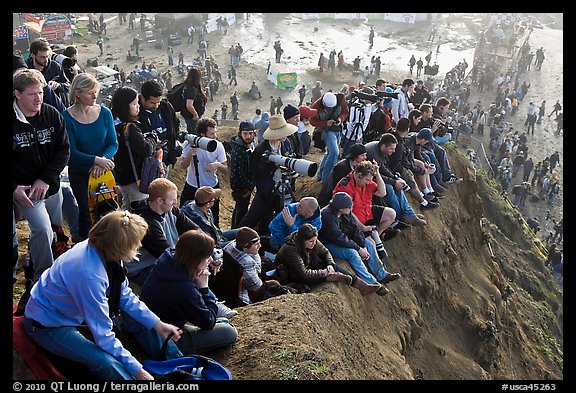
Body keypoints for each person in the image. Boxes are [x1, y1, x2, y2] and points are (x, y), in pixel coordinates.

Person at [22, 210, 183, 380]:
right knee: (106, 362)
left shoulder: (105, 247)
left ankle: (181, 365)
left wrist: (158, 324)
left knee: (147, 323)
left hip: (70, 312)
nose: (139, 246)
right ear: (120, 246)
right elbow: (103, 336)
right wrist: (138, 371)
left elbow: (124, 295)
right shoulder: (88, 273)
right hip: (49, 325)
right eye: (136, 243)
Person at [13, 68, 70, 298]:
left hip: (51, 185)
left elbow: (63, 149)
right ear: (17, 94)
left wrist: (46, 178)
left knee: (55, 229)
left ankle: (37, 262)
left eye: (41, 92)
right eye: (32, 94)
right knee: (43, 229)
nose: (39, 98)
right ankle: (42, 279)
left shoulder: (51, 114)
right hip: (25, 190)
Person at [139, 229, 238, 356]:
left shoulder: (168, 258)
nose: (210, 260)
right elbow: (208, 322)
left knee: (220, 321)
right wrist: (204, 288)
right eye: (207, 257)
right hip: (165, 339)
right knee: (228, 332)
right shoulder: (183, 288)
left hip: (151, 325)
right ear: (196, 259)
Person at [62, 72, 118, 241]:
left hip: (105, 171)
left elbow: (113, 143)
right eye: (90, 92)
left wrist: (102, 161)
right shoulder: (66, 117)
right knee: (87, 213)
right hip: (81, 174)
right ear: (77, 93)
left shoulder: (105, 113)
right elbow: (71, 152)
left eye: (96, 91)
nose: (95, 96)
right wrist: (96, 160)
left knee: (109, 210)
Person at [318, 192, 400, 297]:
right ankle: (372, 282)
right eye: (349, 207)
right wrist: (358, 249)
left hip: (344, 239)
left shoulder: (345, 212)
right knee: (352, 253)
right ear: (341, 209)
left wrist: (362, 245)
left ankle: (382, 274)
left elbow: (355, 228)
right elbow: (339, 238)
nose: (351, 208)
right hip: (328, 244)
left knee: (369, 243)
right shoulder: (327, 217)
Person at [127, 178, 200, 285]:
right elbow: (168, 256)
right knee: (185, 280)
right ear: (160, 201)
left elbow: (196, 230)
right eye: (172, 200)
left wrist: (205, 249)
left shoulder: (172, 210)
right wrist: (198, 262)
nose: (175, 202)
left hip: (168, 257)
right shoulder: (145, 223)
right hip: (143, 268)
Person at [238, 114, 298, 235]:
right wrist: (272, 166)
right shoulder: (261, 150)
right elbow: (257, 174)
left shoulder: (286, 143)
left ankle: (267, 238)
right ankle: (238, 236)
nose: (286, 135)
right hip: (266, 190)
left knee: (275, 217)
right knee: (253, 216)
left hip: (283, 187)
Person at [276, 223, 379, 291]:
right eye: (311, 242)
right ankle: (332, 277)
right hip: (291, 274)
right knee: (309, 274)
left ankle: (362, 286)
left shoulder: (312, 239)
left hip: (307, 263)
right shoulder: (290, 249)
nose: (314, 243)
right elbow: (303, 273)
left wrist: (330, 264)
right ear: (302, 240)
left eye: (315, 240)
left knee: (326, 263)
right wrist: (324, 273)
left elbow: (325, 252)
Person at [366, 132, 430, 226]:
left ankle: (408, 214)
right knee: (390, 188)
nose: (394, 151)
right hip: (367, 179)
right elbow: (374, 175)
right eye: (392, 148)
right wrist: (393, 182)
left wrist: (395, 178)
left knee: (398, 185)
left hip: (376, 176)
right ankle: (401, 217)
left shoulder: (380, 149)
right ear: (384, 146)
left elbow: (382, 168)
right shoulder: (373, 154)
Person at [110, 86, 159, 209]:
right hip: (136, 178)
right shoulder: (130, 127)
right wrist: (152, 139)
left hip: (122, 177)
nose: (138, 106)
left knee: (126, 209)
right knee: (140, 212)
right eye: (134, 104)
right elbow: (145, 149)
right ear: (125, 106)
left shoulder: (112, 125)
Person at [333, 160, 399, 242]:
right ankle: (372, 240)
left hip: (367, 212)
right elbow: (347, 213)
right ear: (359, 175)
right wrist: (363, 227)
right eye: (367, 180)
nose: (368, 182)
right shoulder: (345, 186)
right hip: (354, 221)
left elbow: (382, 193)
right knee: (370, 244)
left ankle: (376, 236)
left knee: (391, 214)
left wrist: (377, 173)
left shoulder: (365, 181)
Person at [179, 118, 227, 226]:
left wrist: (218, 165)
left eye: (215, 132)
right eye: (211, 134)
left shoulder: (218, 146)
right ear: (202, 134)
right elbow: (182, 166)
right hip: (192, 186)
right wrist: (190, 155)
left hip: (211, 187)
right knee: (184, 217)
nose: (215, 136)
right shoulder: (190, 143)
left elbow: (226, 169)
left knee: (213, 220)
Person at [137, 80, 181, 179]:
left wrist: (174, 141)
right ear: (142, 98)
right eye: (152, 103)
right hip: (146, 164)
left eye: (158, 102)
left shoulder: (166, 107)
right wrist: (152, 145)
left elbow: (175, 124)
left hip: (165, 158)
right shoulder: (136, 113)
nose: (156, 106)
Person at [310, 91, 350, 183]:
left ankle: (320, 174)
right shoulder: (316, 106)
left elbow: (345, 111)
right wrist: (325, 123)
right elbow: (312, 121)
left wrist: (340, 119)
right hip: (327, 131)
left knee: (329, 153)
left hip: (338, 129)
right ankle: (326, 179)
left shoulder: (340, 98)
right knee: (334, 153)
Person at [228, 121, 256, 228]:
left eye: (250, 133)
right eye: (245, 133)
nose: (248, 136)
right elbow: (239, 173)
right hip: (240, 187)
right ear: (240, 134)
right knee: (241, 210)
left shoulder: (250, 145)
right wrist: (250, 185)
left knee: (240, 209)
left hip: (246, 185)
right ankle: (236, 232)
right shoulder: (239, 149)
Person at [181, 67, 208, 134]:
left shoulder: (186, 86)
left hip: (188, 114)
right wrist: (195, 114)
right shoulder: (191, 89)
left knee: (191, 130)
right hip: (192, 116)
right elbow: (189, 105)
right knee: (195, 133)